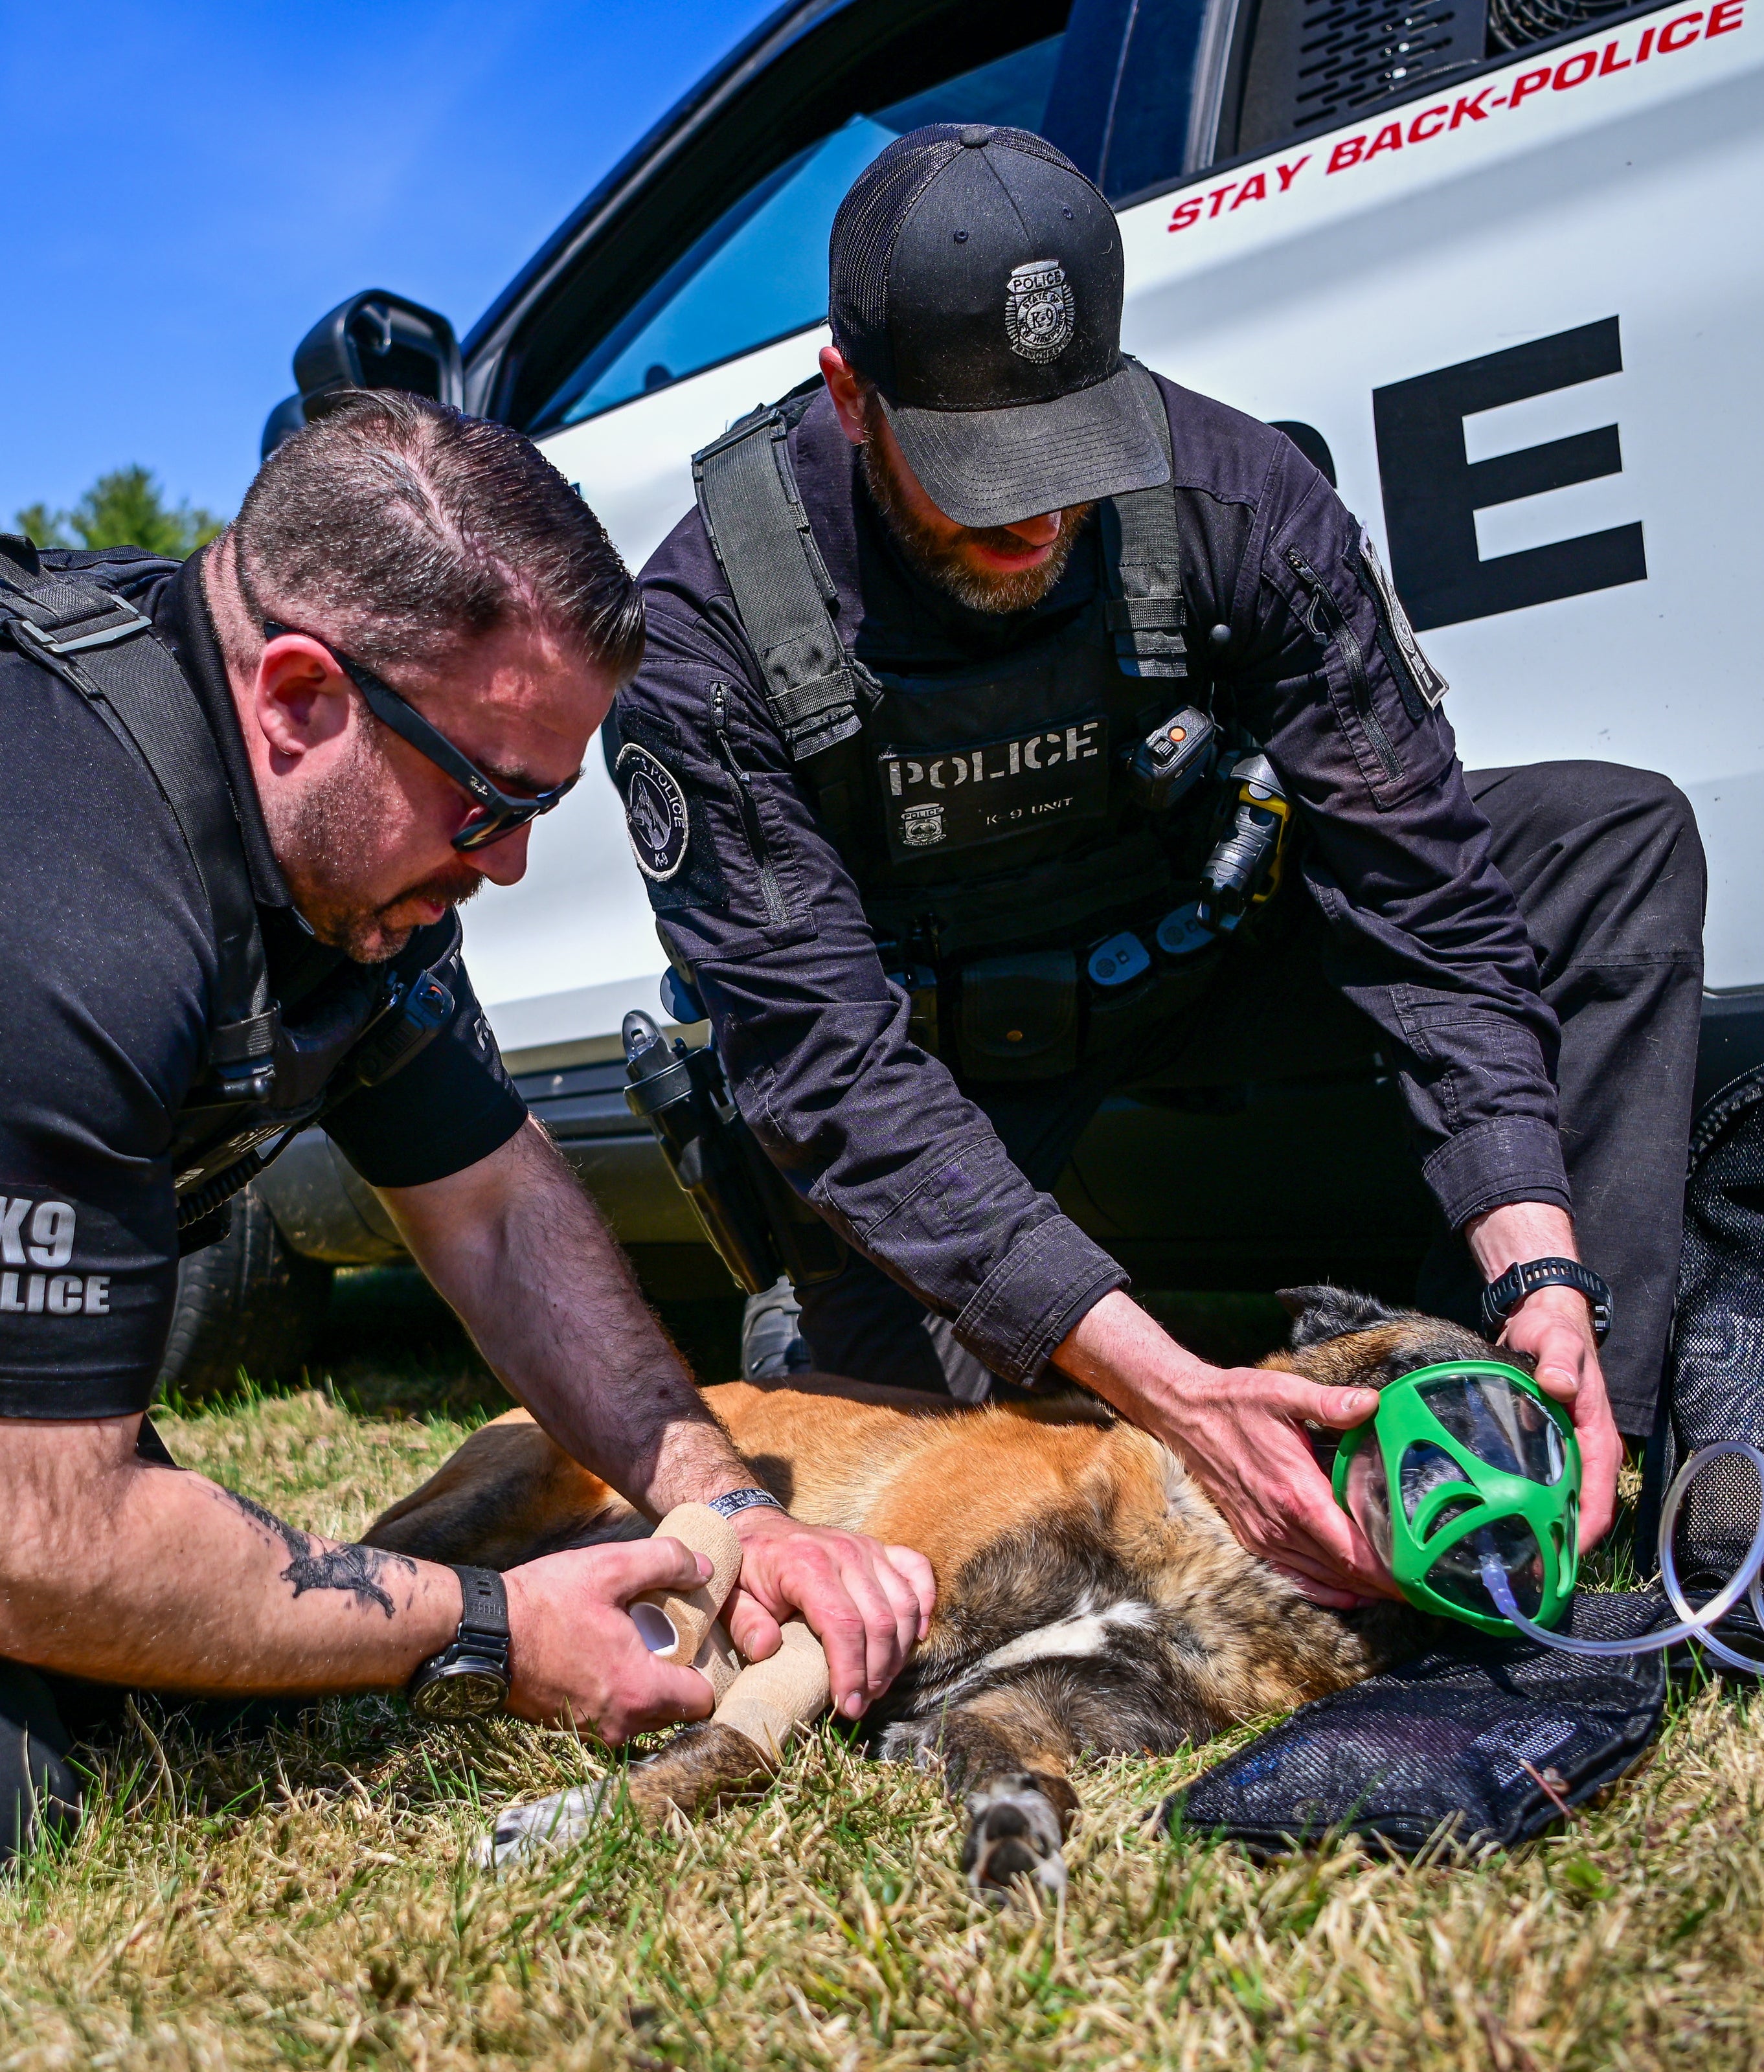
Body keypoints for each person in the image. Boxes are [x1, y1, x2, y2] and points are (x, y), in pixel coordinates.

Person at [612, 123, 1706, 1610]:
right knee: (904, 1525)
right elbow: (827, 1069)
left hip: (1202, 949)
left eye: (1069, 458)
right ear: (850, 396)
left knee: (1608, 837)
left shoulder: (1238, 498)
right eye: (979, 474)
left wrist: (1536, 1254)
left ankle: (1546, 1445)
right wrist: (1171, 1389)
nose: (1039, 520)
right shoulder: (708, 629)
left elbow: (1422, 898)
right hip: (933, 1084)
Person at [0, 394, 930, 1871]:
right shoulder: (72, 901)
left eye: (543, 805)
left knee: (198, 1683)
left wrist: (732, 1510)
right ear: (300, 697)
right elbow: (38, 1540)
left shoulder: (344, 866)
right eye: (489, 797)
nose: (506, 864)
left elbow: (495, 1208)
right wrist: (497, 1630)